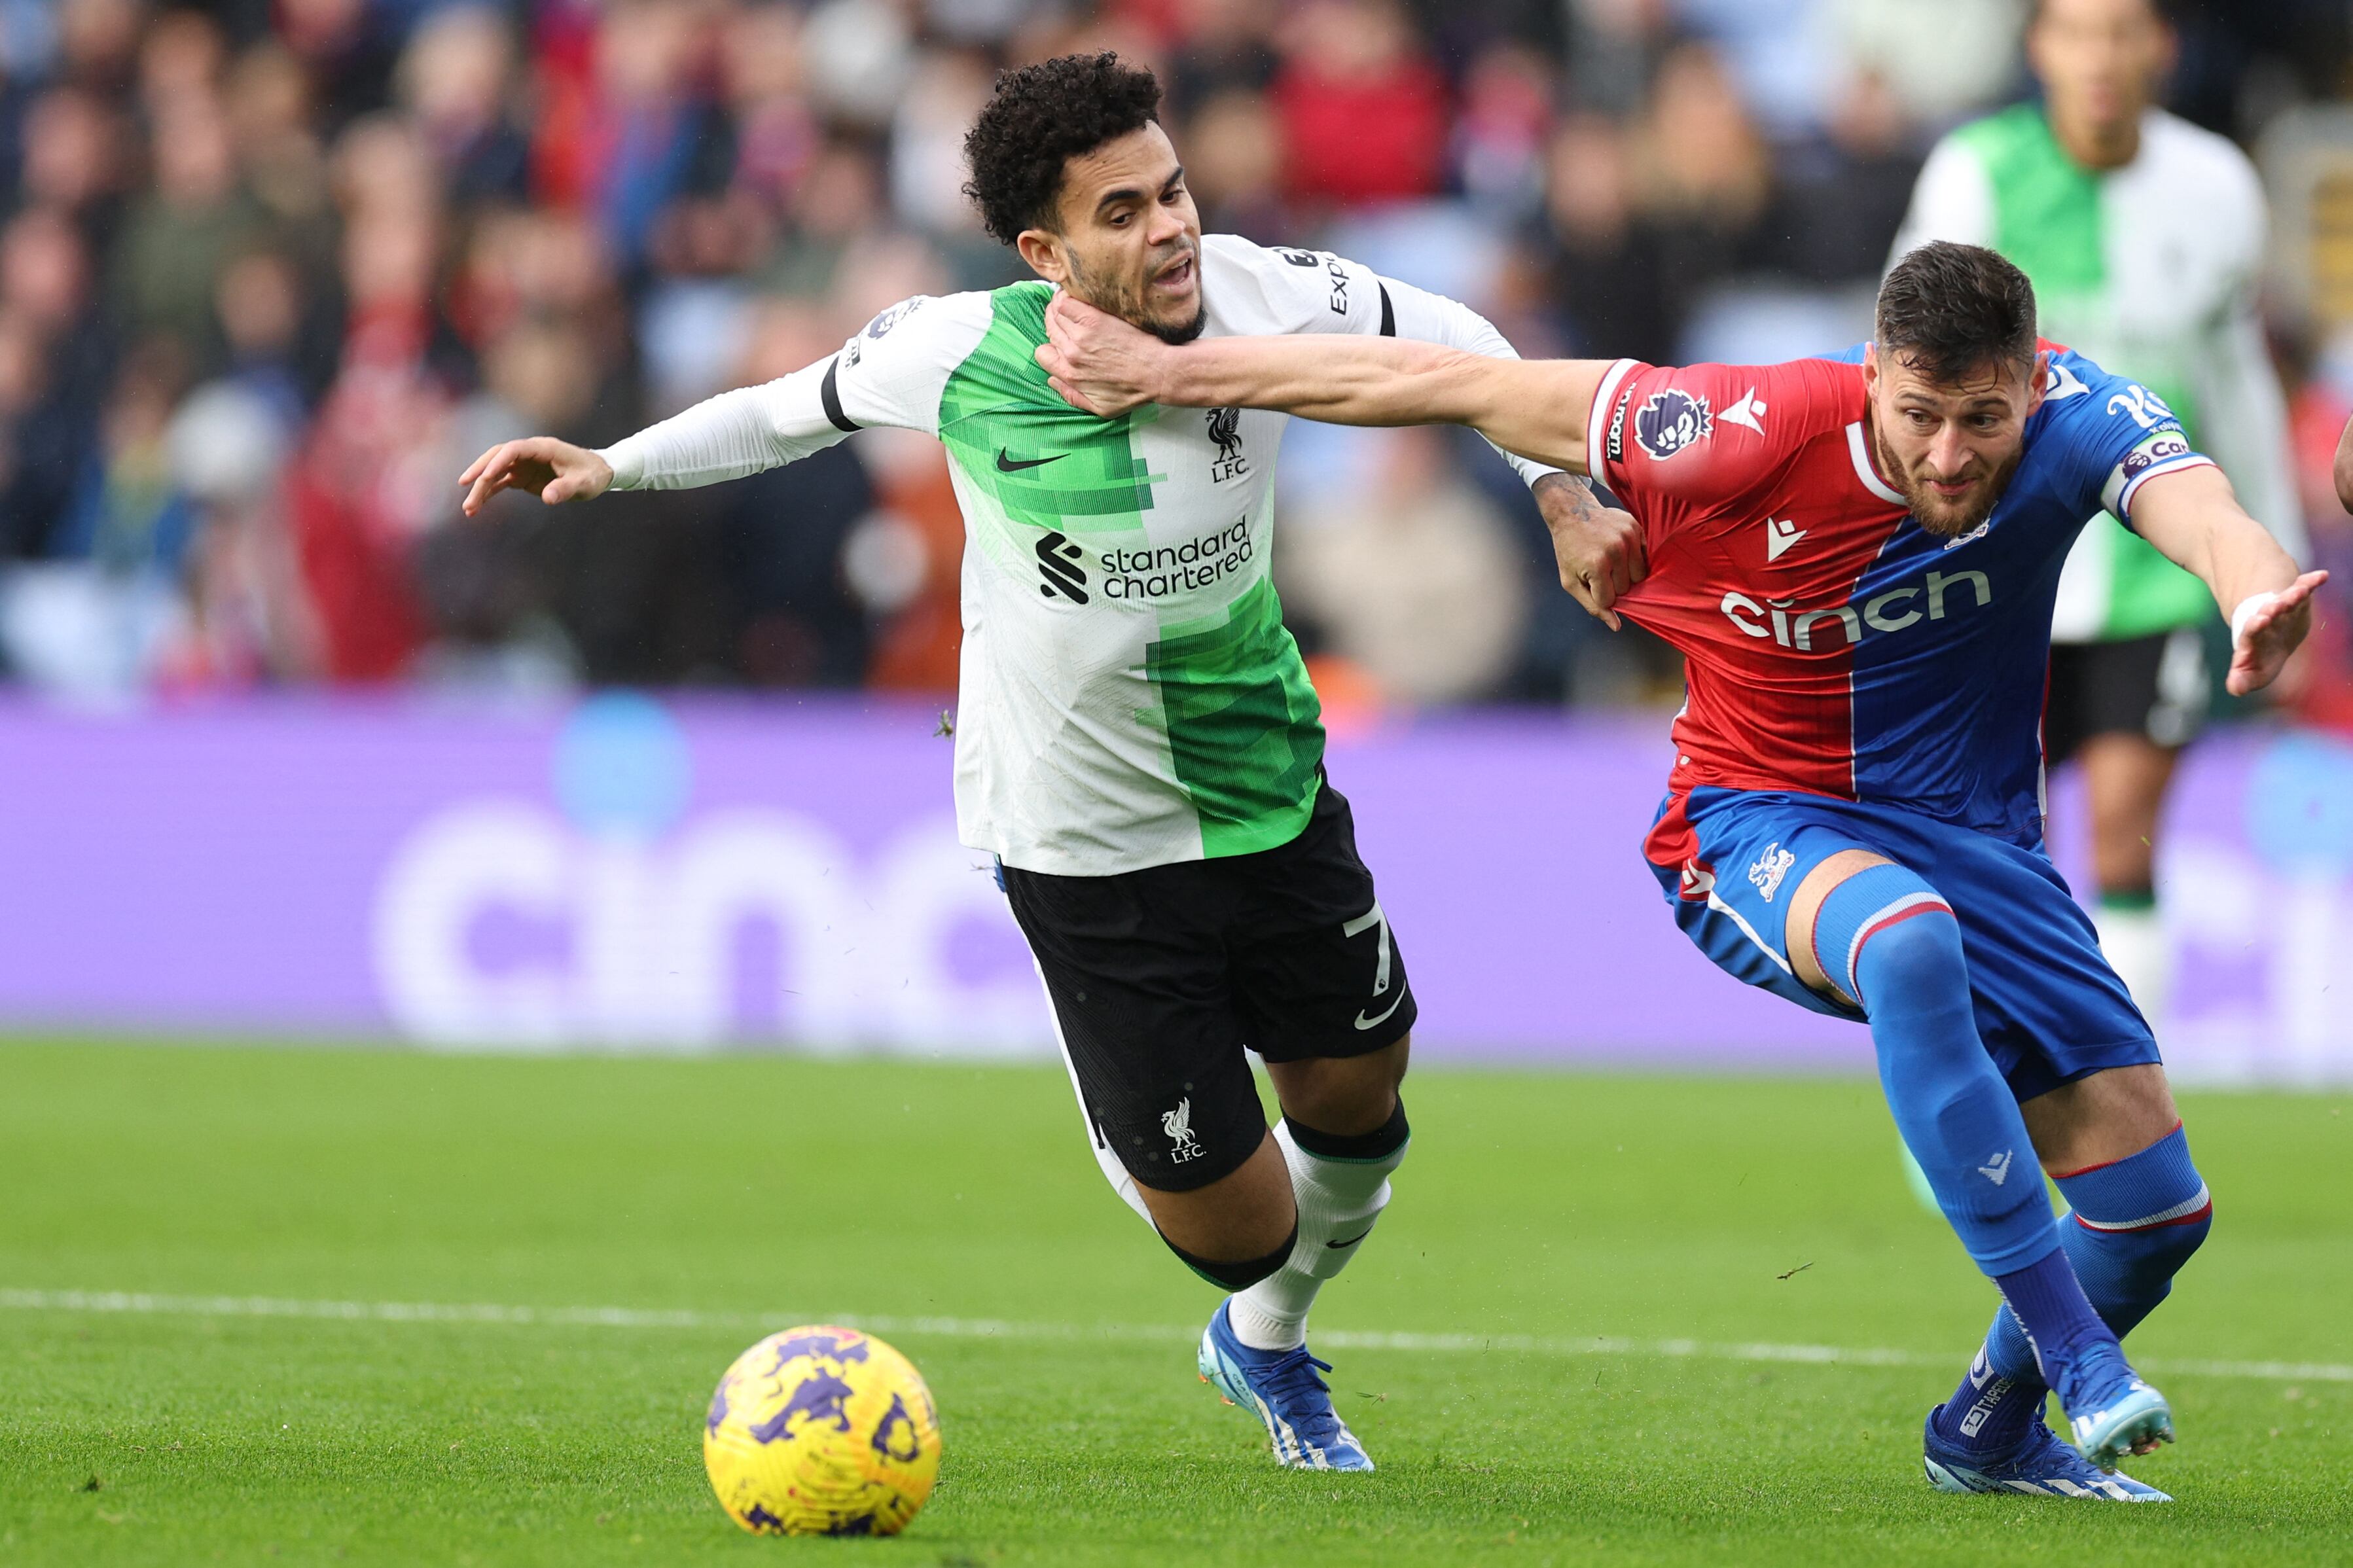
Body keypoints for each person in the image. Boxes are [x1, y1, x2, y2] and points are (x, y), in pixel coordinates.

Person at [454, 52, 1612, 1473]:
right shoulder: (954, 350)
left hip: (1266, 782)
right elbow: (782, 407)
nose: (1172, 227)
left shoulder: (1264, 292)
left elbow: (1464, 346)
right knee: (1235, 1224)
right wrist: (612, 464)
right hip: (1080, 835)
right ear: (1045, 252)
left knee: (1362, 1108)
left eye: (1173, 189)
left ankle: (1264, 1348)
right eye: (1123, 212)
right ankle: (1151, 1147)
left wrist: (1556, 491)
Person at [1034, 240, 2326, 1499]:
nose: (1947, 453)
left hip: (1982, 841)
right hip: (1753, 817)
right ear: (1872, 372)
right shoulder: (1731, 426)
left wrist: (2254, 593)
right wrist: (1170, 371)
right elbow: (1445, 383)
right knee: (1905, 938)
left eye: (1981, 419)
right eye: (1919, 413)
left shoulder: (2083, 411)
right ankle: (2079, 1359)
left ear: (2028, 392)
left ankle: (1987, 1429)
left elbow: (2208, 516)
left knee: (2154, 1215)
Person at [1888, 0, 2307, 1024]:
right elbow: (1905, 367)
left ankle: (2123, 1094)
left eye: (2123, 30)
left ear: (2161, 46)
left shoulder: (2217, 185)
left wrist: (2271, 551)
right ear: (2039, 49)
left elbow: (2235, 374)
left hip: (2149, 568)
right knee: (1998, 848)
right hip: (1998, 569)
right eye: (2078, 31)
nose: (2101, 57)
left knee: (2126, 831)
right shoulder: (1973, 173)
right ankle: (1984, 1080)